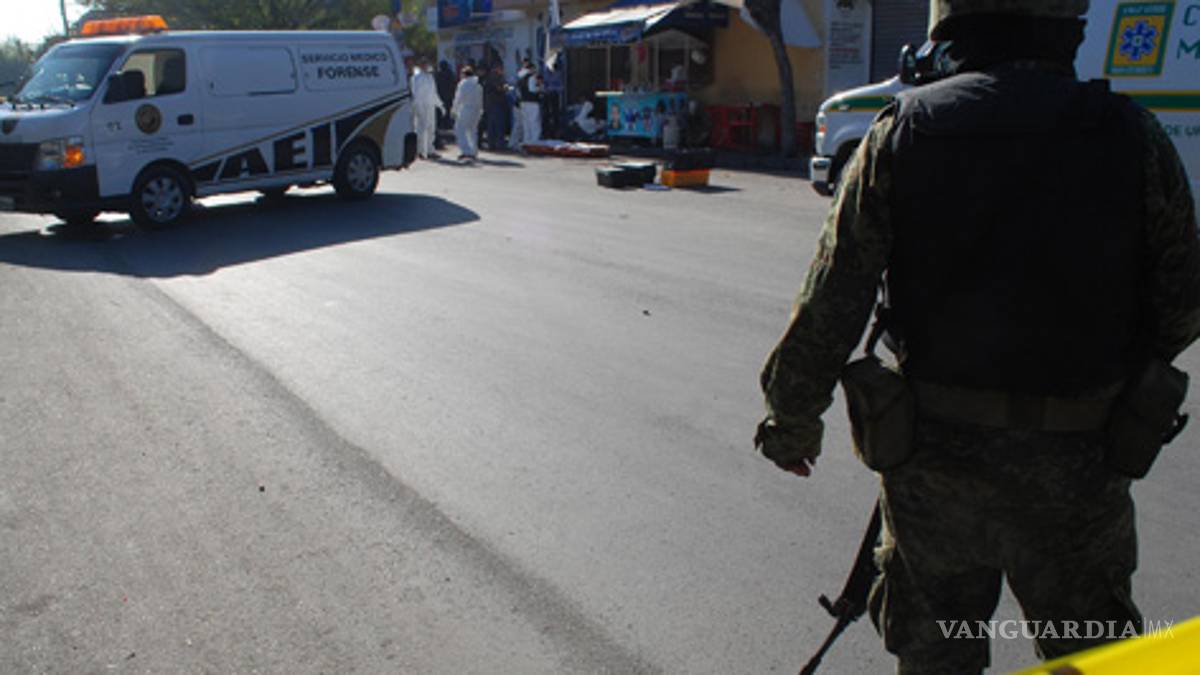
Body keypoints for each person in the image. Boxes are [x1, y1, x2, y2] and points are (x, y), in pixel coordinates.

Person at [755, 1, 1200, 673]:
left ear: (951, 26)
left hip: (936, 479)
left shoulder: (902, 132)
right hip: (1079, 475)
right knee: (1095, 657)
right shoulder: (1130, 134)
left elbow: (833, 299)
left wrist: (790, 422)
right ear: (1067, 26)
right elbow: (1183, 304)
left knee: (937, 659)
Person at [410, 59, 443, 160]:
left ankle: (430, 150)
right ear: (420, 66)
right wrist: (417, 107)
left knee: (431, 128)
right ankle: (420, 151)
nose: (426, 66)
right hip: (421, 106)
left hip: (430, 106)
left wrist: (440, 104)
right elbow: (415, 93)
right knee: (421, 129)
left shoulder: (430, 77)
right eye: (423, 64)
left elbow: (434, 92)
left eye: (426, 64)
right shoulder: (416, 77)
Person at [451, 66, 483, 161]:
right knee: (473, 131)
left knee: (459, 129)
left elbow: (458, 98)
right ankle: (473, 151)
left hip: (466, 108)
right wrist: (480, 111)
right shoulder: (478, 84)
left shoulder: (463, 84)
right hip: (476, 109)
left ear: (464, 74)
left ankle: (466, 151)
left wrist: (454, 110)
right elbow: (480, 99)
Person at [483, 63, 509, 151]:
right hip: (496, 103)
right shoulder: (495, 77)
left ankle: (492, 144)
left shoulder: (490, 77)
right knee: (497, 125)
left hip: (491, 103)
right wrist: (506, 88)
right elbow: (499, 88)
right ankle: (498, 144)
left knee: (492, 124)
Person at [516, 58, 541, 145]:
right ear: (531, 69)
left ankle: (526, 141)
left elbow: (518, 91)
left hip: (523, 102)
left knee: (526, 124)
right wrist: (539, 88)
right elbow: (532, 89)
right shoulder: (531, 77)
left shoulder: (520, 78)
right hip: (532, 102)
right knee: (534, 122)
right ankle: (534, 142)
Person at [435, 60, 457, 137]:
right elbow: (454, 85)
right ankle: (447, 124)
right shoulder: (450, 74)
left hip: (440, 96)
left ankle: (441, 125)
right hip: (448, 96)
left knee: (440, 112)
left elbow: (436, 86)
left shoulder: (438, 74)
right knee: (447, 111)